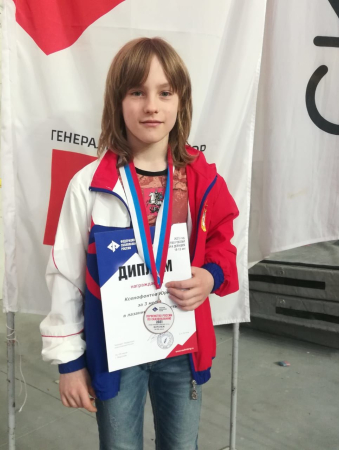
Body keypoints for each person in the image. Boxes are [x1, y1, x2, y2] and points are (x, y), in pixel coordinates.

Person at [40, 37, 239, 450]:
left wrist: (210, 276)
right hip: (116, 353)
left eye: (165, 93)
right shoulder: (88, 185)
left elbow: (223, 240)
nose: (151, 106)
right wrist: (69, 362)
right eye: (137, 92)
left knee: (181, 445)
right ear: (117, 101)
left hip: (181, 347)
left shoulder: (202, 180)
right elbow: (65, 276)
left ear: (181, 103)